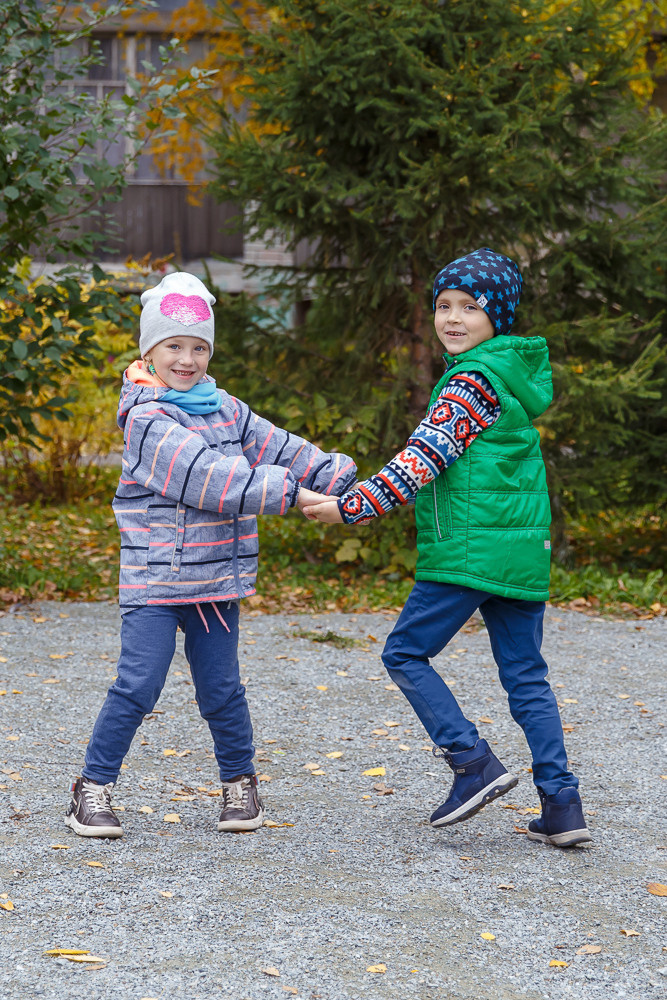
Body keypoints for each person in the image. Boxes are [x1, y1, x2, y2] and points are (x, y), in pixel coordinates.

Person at [303, 248, 591, 848]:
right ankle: (562, 805)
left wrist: (350, 507)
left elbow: (425, 458)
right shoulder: (510, 379)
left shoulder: (470, 382)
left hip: (466, 552)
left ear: (498, 317)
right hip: (517, 552)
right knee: (527, 677)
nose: (452, 318)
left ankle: (472, 763)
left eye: (469, 307)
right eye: (443, 305)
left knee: (405, 653)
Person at [65, 271, 356, 839]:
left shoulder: (225, 407)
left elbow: (280, 446)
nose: (188, 358)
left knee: (222, 689)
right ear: (149, 349)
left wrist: (336, 476)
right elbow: (210, 479)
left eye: (199, 346)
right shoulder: (148, 420)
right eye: (174, 345)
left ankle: (239, 784)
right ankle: (92, 788)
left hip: (216, 579)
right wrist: (293, 494)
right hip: (156, 580)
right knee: (138, 686)